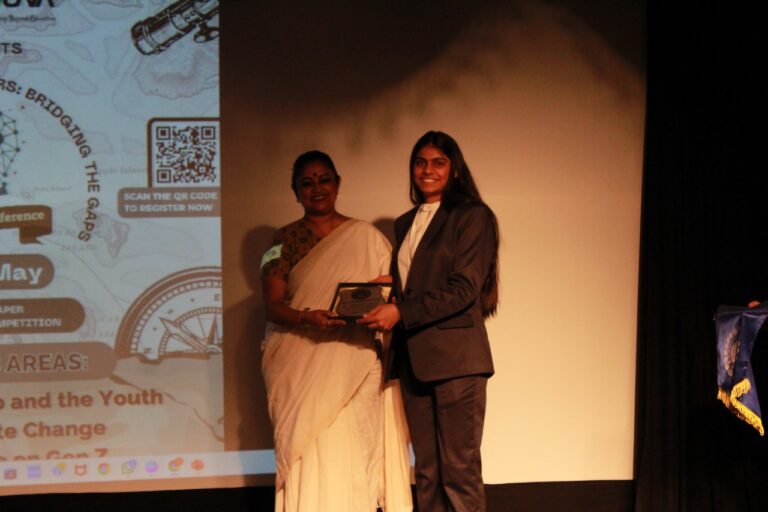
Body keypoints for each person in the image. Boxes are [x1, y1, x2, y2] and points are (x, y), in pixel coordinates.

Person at [260, 150, 411, 512]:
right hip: (300, 360)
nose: (317, 189)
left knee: (355, 445)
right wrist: (306, 318)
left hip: (355, 358)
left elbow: (391, 296)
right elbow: (272, 307)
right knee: (309, 446)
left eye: (324, 179)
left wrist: (382, 293)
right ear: (296, 192)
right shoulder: (279, 242)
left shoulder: (368, 237)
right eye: (306, 183)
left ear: (338, 184)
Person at [359, 131, 500, 512]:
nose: (428, 170)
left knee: (459, 471)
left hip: (457, 362)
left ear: (454, 170)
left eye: (438, 162)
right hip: (414, 361)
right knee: (427, 472)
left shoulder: (472, 215)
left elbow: (463, 289)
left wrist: (401, 311)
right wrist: (389, 287)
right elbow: (419, 279)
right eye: (420, 162)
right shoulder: (405, 222)